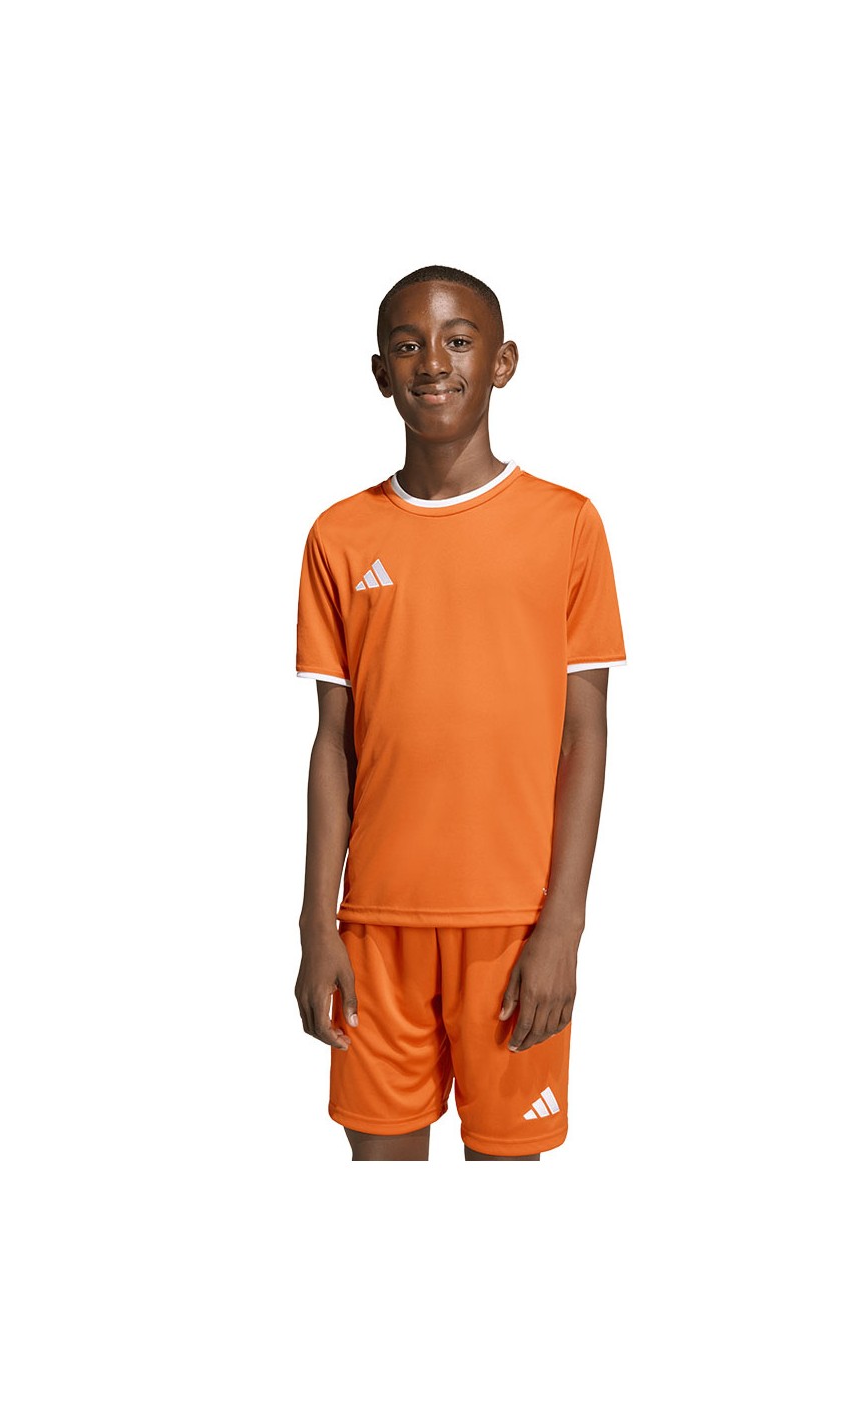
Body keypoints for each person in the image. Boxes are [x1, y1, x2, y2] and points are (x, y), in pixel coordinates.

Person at [294, 265, 626, 1161]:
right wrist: (316, 924)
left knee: (508, 1177)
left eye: (458, 340)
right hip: (375, 927)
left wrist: (563, 928)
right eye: (408, 345)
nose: (433, 362)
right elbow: (333, 745)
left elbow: (585, 735)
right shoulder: (339, 536)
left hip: (515, 926)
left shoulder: (567, 525)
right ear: (380, 372)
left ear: (502, 362)